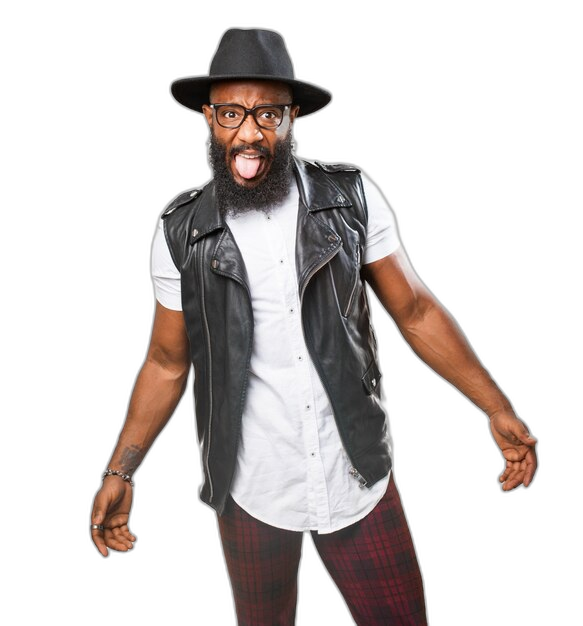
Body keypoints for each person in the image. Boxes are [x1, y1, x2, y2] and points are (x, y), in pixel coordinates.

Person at [89, 27, 538, 625]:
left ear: (292, 116)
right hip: (251, 486)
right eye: (231, 113)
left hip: (355, 471)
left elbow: (415, 311)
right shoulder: (181, 231)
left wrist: (496, 407)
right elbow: (167, 363)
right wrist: (121, 469)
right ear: (208, 117)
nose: (250, 133)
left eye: (268, 113)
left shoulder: (349, 198)